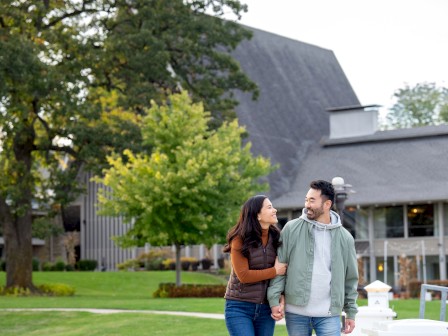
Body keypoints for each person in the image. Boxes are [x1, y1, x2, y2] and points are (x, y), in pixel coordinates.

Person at [268, 180, 358, 336]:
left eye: (312, 200)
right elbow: (281, 266)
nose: (307, 205)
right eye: (306, 199)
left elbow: (350, 279)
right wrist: (274, 299)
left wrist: (350, 312)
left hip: (329, 314)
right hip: (296, 313)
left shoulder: (345, 238)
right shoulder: (291, 229)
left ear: (327, 204)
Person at [224, 195, 288, 336]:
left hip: (265, 309)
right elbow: (244, 276)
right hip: (239, 307)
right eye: (269, 207)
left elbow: (284, 272)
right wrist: (274, 271)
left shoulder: (277, 238)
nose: (275, 210)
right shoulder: (239, 239)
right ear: (257, 215)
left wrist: (280, 298)